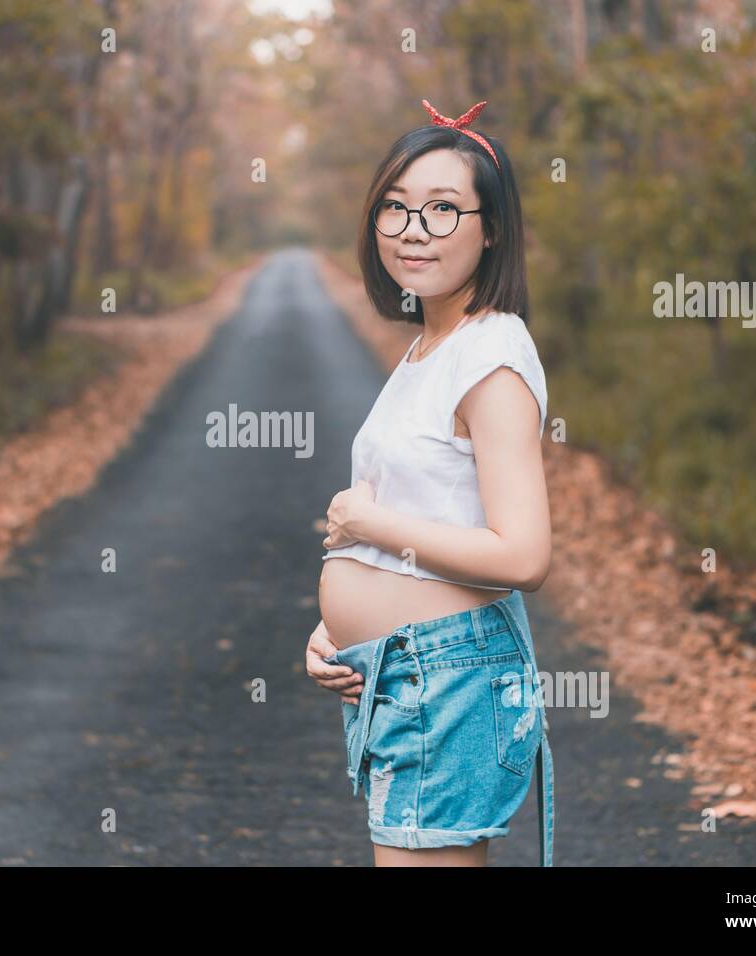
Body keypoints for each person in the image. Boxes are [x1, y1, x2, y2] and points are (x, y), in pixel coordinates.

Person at [305, 99, 554, 867]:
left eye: (444, 209)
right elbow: (425, 514)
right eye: (397, 207)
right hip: (403, 669)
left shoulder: (492, 358)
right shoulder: (429, 345)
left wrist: (369, 529)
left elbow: (522, 557)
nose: (414, 229)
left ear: (493, 228)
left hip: (445, 677)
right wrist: (337, 636)